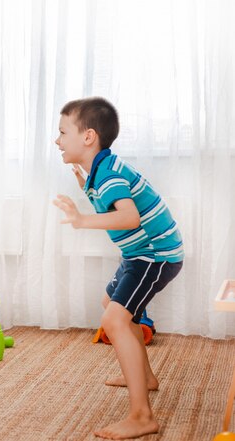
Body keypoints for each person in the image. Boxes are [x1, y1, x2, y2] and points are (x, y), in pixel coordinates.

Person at [52, 97, 183, 439]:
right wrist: (85, 186)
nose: (57, 139)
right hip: (139, 254)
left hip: (155, 255)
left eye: (62, 131)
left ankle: (142, 416)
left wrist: (81, 220)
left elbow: (129, 216)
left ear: (88, 137)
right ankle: (146, 376)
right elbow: (111, 200)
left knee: (114, 319)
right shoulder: (101, 170)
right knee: (112, 306)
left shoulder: (108, 174)